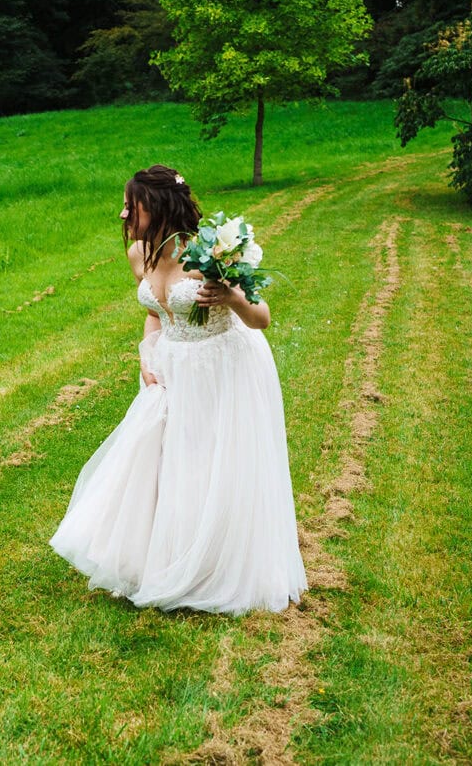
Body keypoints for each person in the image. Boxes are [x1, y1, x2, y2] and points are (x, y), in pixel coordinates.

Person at [50, 165, 305, 615]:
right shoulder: (138, 253)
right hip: (170, 367)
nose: (124, 212)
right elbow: (156, 310)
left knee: (215, 462)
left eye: (134, 204)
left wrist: (230, 297)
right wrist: (145, 352)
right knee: (166, 459)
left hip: (223, 364)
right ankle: (163, 560)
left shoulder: (214, 254)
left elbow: (261, 317)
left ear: (161, 205)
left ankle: (216, 567)